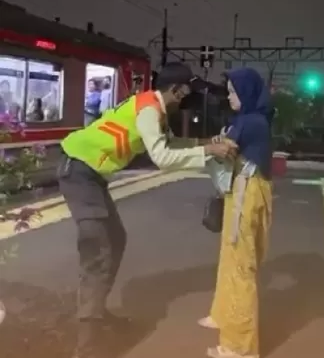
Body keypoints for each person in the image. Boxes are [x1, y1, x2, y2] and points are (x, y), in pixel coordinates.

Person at [57, 62, 238, 358]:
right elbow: (163, 156)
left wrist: (206, 142)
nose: (190, 99)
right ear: (177, 89)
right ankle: (87, 343)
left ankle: (96, 312)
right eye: (188, 92)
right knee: (99, 248)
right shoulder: (149, 110)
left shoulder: (155, 110)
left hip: (88, 173)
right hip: (78, 170)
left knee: (115, 239)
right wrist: (208, 151)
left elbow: (172, 142)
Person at [198, 67, 274, 358]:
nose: (229, 96)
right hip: (243, 189)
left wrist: (176, 149)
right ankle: (222, 315)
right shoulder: (249, 119)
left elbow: (222, 147)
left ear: (246, 92)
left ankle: (239, 347)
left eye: (233, 91)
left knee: (241, 267)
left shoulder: (251, 122)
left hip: (247, 192)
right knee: (230, 256)